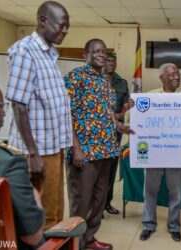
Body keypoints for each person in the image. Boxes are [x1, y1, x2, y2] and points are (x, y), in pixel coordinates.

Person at [5, 1, 72, 229]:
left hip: (53, 147)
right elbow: (18, 105)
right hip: (38, 151)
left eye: (67, 27)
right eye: (61, 25)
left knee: (53, 211)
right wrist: (33, 154)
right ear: (43, 20)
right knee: (41, 218)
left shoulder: (48, 55)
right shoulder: (25, 51)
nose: (64, 31)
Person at [64, 39, 133, 250]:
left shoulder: (105, 81)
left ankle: (90, 239)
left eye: (103, 51)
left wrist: (119, 126)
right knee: (81, 202)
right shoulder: (75, 77)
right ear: (85, 54)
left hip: (107, 150)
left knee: (98, 201)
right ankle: (75, 243)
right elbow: (66, 115)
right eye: (96, 51)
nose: (101, 54)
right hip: (85, 152)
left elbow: (106, 113)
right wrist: (76, 148)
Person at [139, 63, 181, 242]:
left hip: (176, 155)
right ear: (161, 78)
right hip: (154, 155)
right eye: (172, 74)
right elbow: (140, 120)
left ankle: (174, 226)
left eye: (178, 73)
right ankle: (148, 225)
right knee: (150, 192)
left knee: (176, 194)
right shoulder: (149, 97)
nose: (176, 77)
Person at [0, 87, 45, 249]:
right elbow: (32, 236)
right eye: (0, 106)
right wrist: (34, 193)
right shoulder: (10, 163)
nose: (4, 113)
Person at [103, 51, 130, 215]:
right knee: (98, 172)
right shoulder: (95, 80)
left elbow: (126, 108)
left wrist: (119, 115)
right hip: (95, 134)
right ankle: (96, 207)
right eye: (108, 60)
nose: (112, 63)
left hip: (114, 133)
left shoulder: (121, 82)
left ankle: (107, 203)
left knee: (111, 170)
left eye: (114, 60)